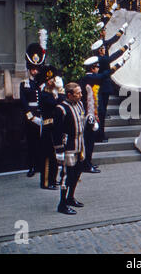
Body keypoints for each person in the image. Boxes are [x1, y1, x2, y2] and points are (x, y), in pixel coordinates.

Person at [79, 49, 131, 172]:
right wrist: (121, 63)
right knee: (88, 141)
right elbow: (105, 74)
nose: (98, 69)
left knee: (90, 141)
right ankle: (86, 164)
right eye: (96, 67)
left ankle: (88, 163)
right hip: (88, 115)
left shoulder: (90, 78)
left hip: (91, 114)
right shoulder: (90, 78)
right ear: (92, 68)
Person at [91, 36, 135, 143]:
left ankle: (100, 134)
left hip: (102, 87)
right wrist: (127, 46)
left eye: (104, 49)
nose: (104, 50)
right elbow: (113, 57)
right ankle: (99, 135)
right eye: (102, 49)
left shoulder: (98, 58)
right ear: (99, 50)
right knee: (100, 112)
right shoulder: (101, 59)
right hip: (101, 88)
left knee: (102, 112)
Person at [53, 83, 86, 215]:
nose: (80, 95)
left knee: (77, 172)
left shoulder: (80, 104)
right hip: (68, 146)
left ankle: (70, 197)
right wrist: (59, 150)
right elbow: (56, 132)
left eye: (80, 92)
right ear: (69, 95)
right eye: (77, 93)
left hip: (80, 144)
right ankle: (62, 204)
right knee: (66, 175)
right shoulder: (61, 109)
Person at [20, 30, 47, 178]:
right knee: (31, 144)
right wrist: (31, 117)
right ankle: (31, 166)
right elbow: (24, 103)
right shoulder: (24, 84)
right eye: (33, 68)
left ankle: (41, 165)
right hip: (31, 118)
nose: (35, 71)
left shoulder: (42, 84)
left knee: (42, 143)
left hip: (42, 115)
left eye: (37, 68)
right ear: (29, 68)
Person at [37, 65, 65, 190]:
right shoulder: (44, 95)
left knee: (54, 155)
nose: (52, 81)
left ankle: (53, 179)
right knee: (48, 156)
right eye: (50, 80)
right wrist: (60, 92)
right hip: (48, 127)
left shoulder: (52, 94)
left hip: (54, 127)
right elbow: (56, 105)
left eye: (53, 78)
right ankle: (46, 182)